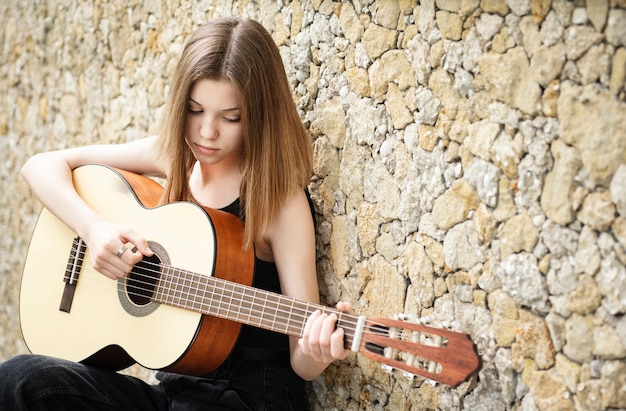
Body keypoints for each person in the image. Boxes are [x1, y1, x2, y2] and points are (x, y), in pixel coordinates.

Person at [0, 17, 351, 410]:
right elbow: (40, 166)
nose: (207, 132)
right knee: (19, 381)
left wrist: (317, 349)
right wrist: (95, 230)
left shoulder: (278, 200)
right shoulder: (174, 159)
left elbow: (302, 361)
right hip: (171, 392)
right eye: (195, 110)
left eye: (230, 117)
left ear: (260, 114)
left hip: (247, 398)